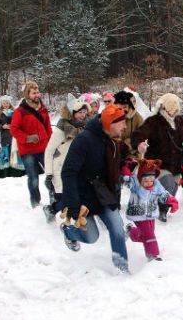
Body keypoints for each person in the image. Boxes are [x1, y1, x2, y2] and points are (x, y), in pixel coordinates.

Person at [60, 105, 145, 273]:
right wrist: (73, 205)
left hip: (104, 194)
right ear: (110, 124)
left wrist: (126, 164)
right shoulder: (83, 140)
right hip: (83, 197)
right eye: (121, 123)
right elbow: (68, 172)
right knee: (91, 236)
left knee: (116, 226)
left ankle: (122, 267)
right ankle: (68, 232)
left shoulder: (113, 140)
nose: (125, 127)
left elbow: (114, 162)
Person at [132, 93, 183, 222]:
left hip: (176, 162)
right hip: (158, 162)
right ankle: (157, 207)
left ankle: (163, 209)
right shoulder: (153, 121)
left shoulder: (179, 120)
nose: (173, 113)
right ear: (163, 108)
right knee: (167, 182)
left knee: (173, 188)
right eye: (170, 110)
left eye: (175, 110)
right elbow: (139, 133)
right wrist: (140, 143)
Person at [42, 95, 89, 222]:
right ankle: (55, 212)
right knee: (67, 197)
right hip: (60, 166)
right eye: (80, 112)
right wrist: (49, 174)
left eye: (84, 112)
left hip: (75, 166)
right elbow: (49, 150)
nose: (83, 115)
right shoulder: (61, 128)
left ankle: (55, 210)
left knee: (75, 195)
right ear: (72, 112)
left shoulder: (84, 128)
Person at [123, 158, 178, 262]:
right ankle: (152, 255)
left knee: (146, 235)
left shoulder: (156, 184)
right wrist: (126, 168)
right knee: (149, 235)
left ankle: (131, 232)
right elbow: (126, 179)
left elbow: (163, 193)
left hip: (151, 213)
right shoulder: (135, 183)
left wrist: (171, 200)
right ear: (140, 178)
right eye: (146, 181)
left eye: (151, 180)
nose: (149, 183)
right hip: (137, 213)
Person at [10, 81, 52, 208]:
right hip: (28, 151)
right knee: (33, 178)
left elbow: (48, 127)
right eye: (34, 93)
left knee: (52, 175)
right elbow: (14, 129)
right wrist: (27, 138)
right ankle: (35, 203)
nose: (37, 95)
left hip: (44, 147)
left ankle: (55, 199)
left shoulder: (43, 108)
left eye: (37, 92)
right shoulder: (20, 111)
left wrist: (51, 142)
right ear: (27, 94)